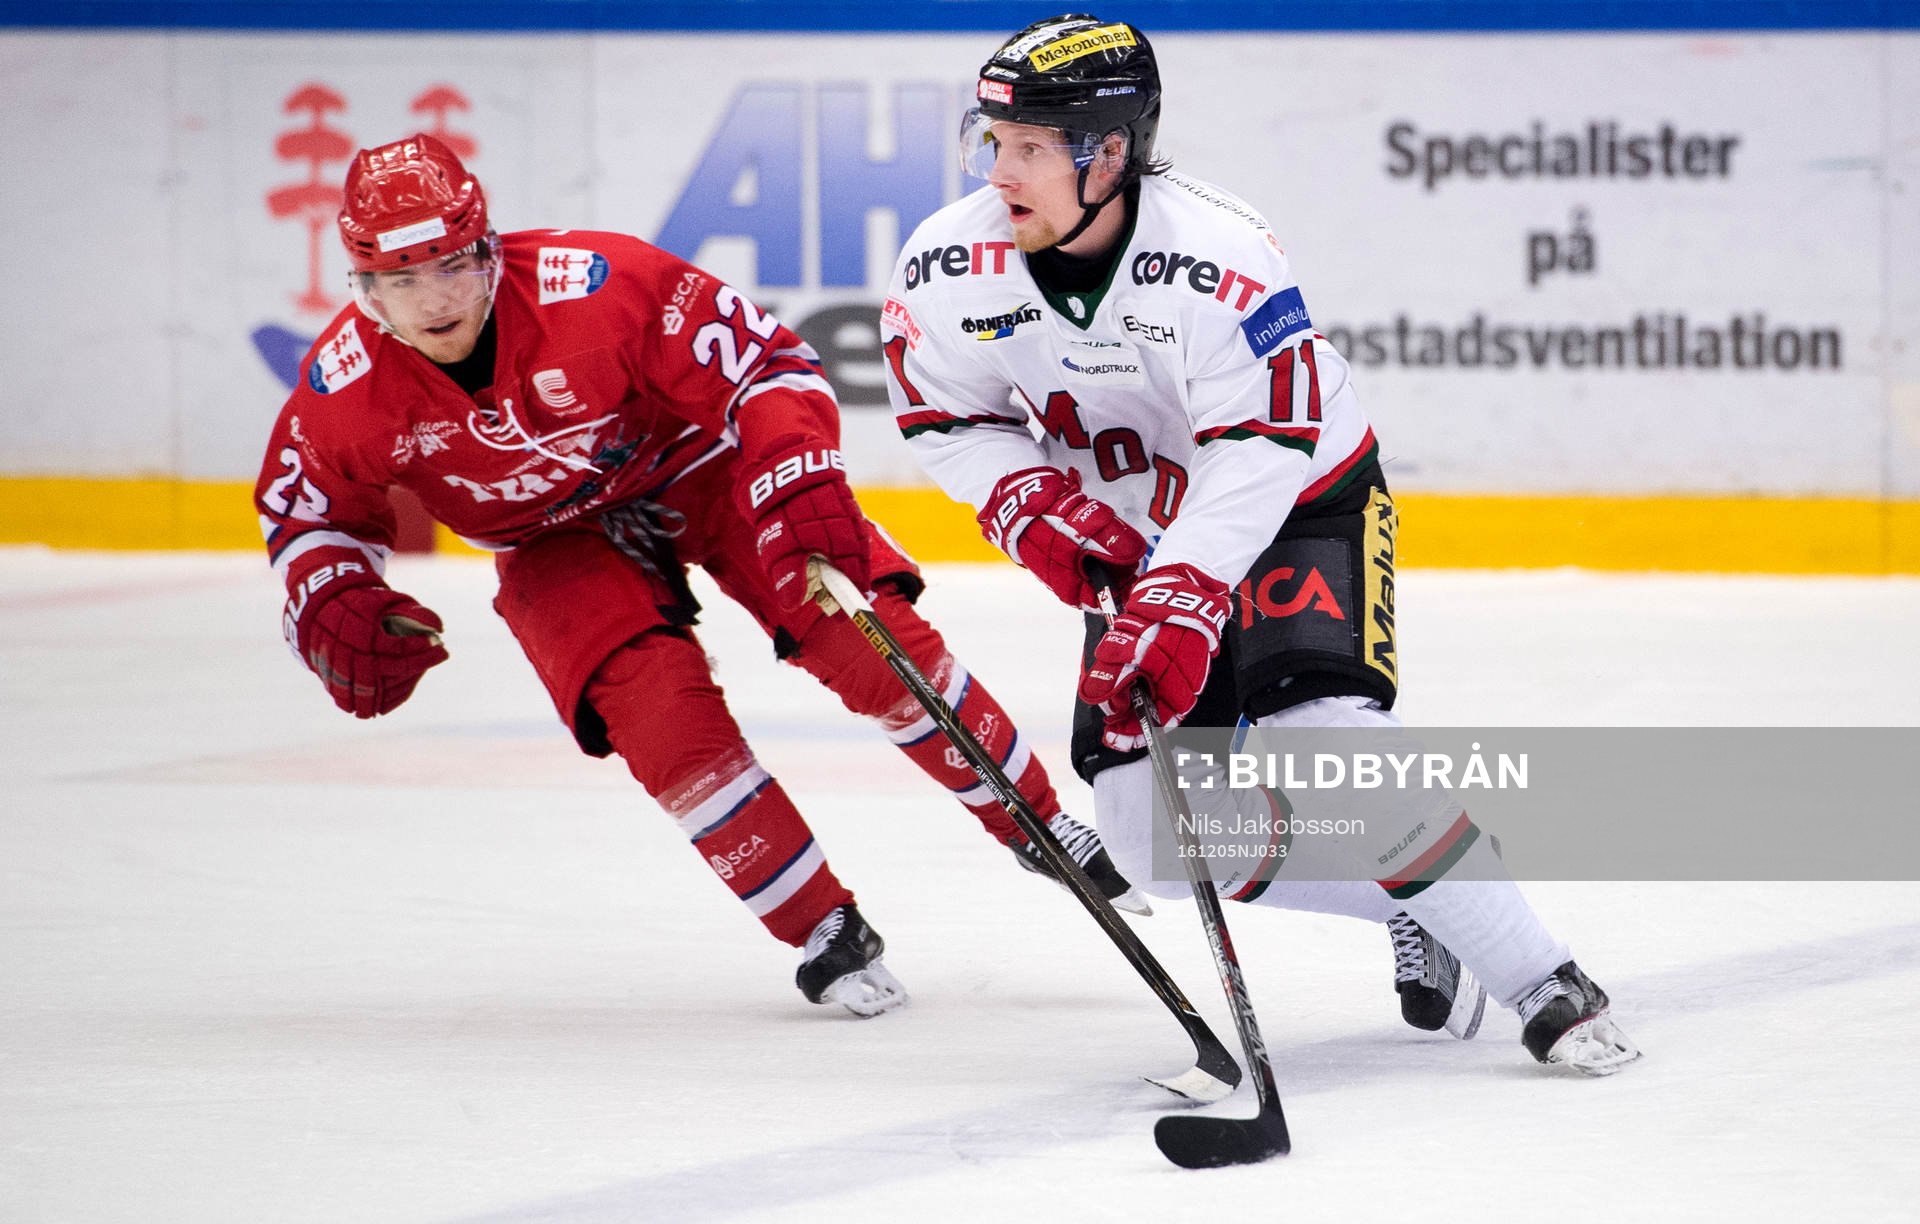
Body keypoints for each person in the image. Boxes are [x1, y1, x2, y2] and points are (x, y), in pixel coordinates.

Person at [883, 15, 1638, 1072]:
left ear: (1110, 153)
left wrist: (1185, 591)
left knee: (1330, 743)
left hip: (1296, 501)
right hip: (1136, 540)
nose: (999, 171)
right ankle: (1419, 898)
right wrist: (1027, 502)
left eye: (1032, 148)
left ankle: (1543, 981)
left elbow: (1261, 447)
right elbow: (947, 416)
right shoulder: (946, 265)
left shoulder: (1219, 254)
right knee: (1151, 836)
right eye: (992, 141)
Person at [254, 132, 1149, 1019]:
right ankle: (819, 924)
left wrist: (795, 471)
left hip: (704, 470)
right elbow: (307, 517)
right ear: (364, 289)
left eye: (450, 267)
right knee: (656, 713)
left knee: (862, 632)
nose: (433, 300)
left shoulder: (597, 283)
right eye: (401, 280)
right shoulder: (343, 389)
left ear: (487, 252)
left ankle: (1039, 820)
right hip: (549, 544)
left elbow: (767, 365)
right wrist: (333, 596)